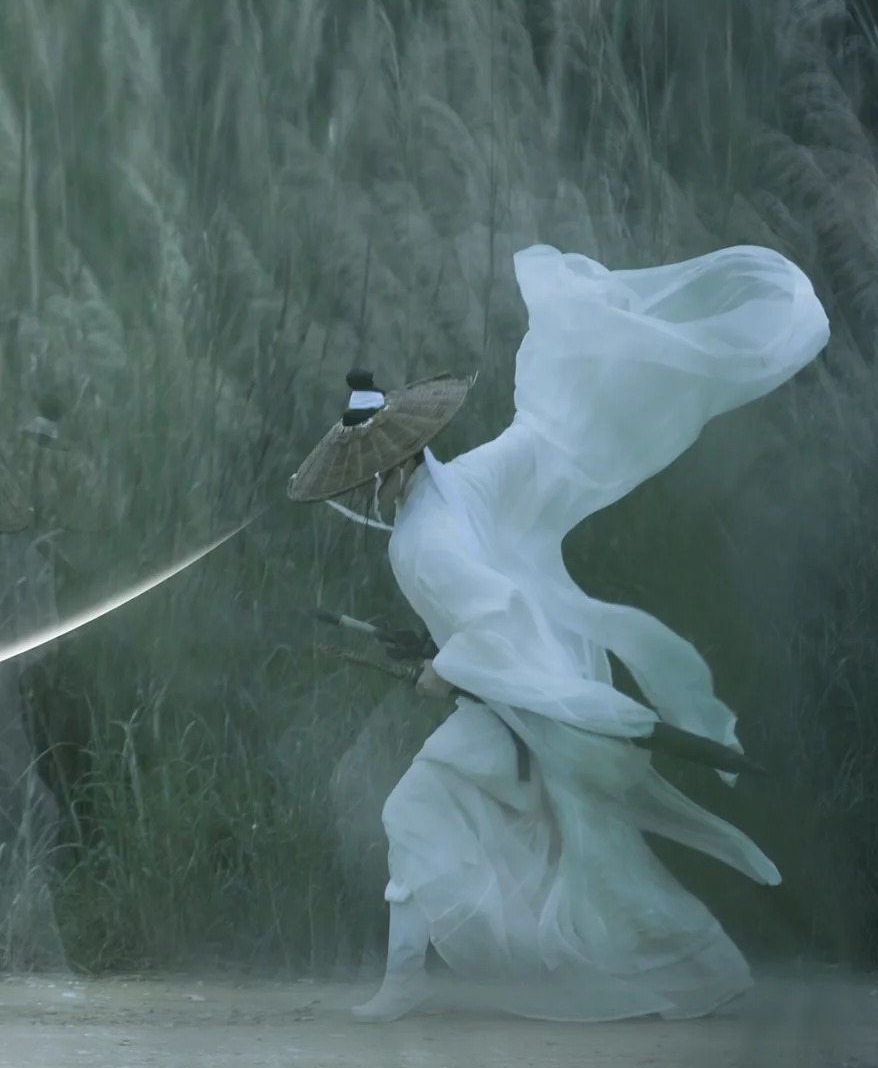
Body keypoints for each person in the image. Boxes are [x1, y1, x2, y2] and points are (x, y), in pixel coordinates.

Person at [289, 242, 829, 1020]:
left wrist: (446, 670)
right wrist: (454, 662)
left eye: (371, 475)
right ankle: (695, 972)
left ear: (394, 465)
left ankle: (421, 982)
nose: (366, 489)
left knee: (438, 815)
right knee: (582, 846)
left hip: (526, 703)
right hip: (523, 694)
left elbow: (494, 621)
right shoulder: (462, 482)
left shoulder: (422, 541)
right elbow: (534, 447)